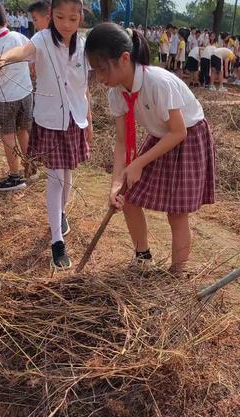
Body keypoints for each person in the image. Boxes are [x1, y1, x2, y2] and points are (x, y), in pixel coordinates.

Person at [85, 23, 215, 273]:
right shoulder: (116, 93)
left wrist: (139, 163)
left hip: (187, 139)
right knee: (129, 197)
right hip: (160, 137)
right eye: (95, 71)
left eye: (102, 69)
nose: (100, 78)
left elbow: (178, 132)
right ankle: (143, 258)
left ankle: (177, 274)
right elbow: (122, 142)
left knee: (176, 213)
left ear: (124, 59)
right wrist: (115, 184)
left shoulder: (157, 83)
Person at [0, 0, 92, 270]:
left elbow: (84, 88)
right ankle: (57, 240)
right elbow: (22, 51)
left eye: (73, 18)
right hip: (50, 120)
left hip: (74, 121)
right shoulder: (42, 39)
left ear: (80, 18)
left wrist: (88, 121)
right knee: (55, 177)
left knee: (67, 174)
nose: (66, 24)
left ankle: (62, 214)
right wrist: (1, 58)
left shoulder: (84, 46)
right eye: (60, 17)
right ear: (51, 15)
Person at [0, 3, 33, 193]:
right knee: (23, 130)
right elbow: (32, 61)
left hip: (5, 99)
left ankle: (15, 177)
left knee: (8, 135)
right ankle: (31, 168)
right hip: (26, 94)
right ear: (5, 20)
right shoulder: (20, 37)